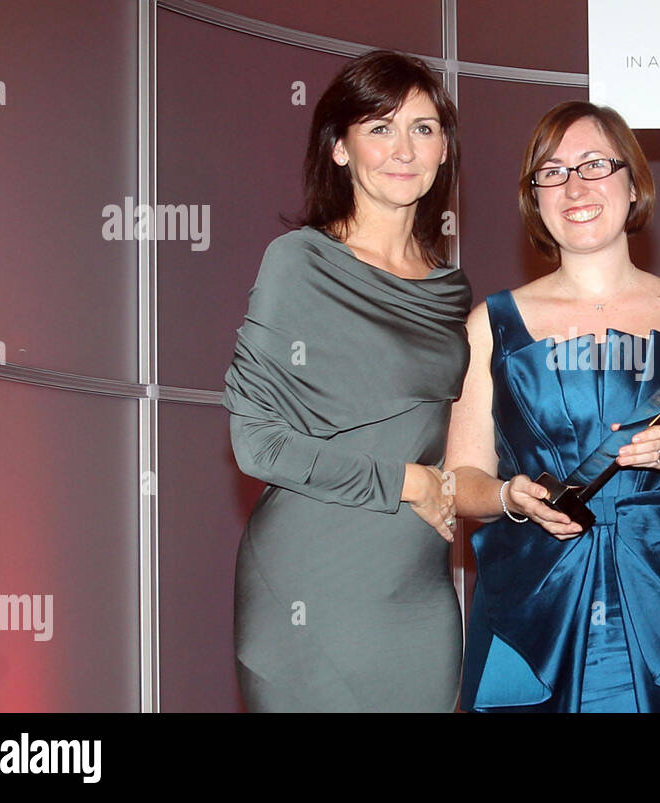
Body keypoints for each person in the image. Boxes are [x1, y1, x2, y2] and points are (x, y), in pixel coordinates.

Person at [447, 101, 660, 712]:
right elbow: (459, 483)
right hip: (533, 609)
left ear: (633, 182)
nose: (575, 186)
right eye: (552, 172)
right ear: (535, 198)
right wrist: (511, 498)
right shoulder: (491, 325)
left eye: (594, 165)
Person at [222, 50, 470, 712]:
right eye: (379, 127)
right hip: (307, 592)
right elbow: (257, 444)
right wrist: (407, 480)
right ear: (340, 148)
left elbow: (450, 440)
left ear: (444, 149)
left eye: (422, 128)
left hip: (419, 599)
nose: (404, 148)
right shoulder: (298, 263)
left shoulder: (451, 287)